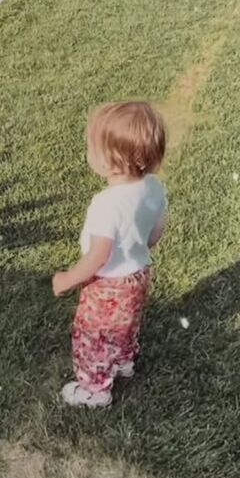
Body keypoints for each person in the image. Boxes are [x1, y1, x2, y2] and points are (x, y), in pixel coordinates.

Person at [52, 101, 169, 408]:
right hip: (139, 274)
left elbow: (98, 257)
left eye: (91, 147)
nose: (87, 152)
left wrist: (67, 279)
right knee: (125, 323)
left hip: (107, 285)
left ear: (110, 160)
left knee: (93, 335)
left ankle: (94, 389)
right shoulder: (154, 186)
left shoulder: (106, 204)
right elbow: (156, 232)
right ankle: (123, 361)